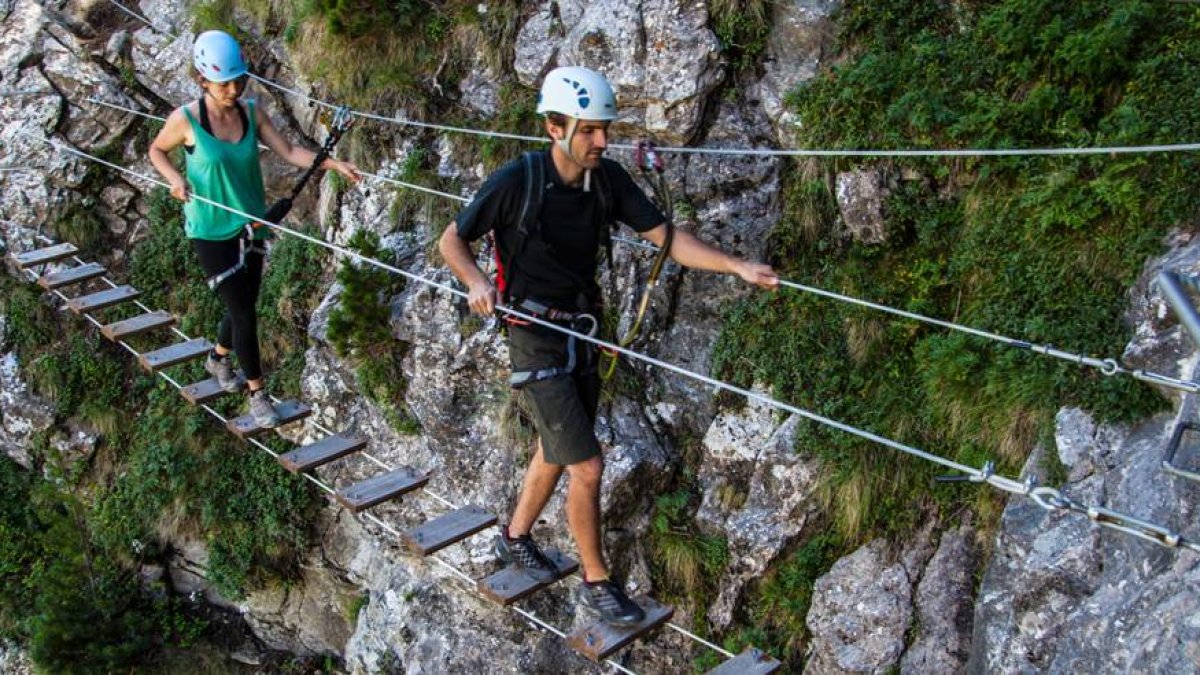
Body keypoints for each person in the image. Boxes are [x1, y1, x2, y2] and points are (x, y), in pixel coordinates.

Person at [439, 65, 778, 626]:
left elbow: (668, 240)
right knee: (588, 465)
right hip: (533, 336)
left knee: (558, 447)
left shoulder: (607, 180)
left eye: (605, 129)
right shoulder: (517, 181)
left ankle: (515, 536)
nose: (602, 141)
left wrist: (736, 266)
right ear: (554, 128)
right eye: (590, 130)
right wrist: (475, 281)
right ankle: (597, 583)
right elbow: (452, 238)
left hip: (583, 331)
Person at [148, 30, 360, 427]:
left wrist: (332, 164)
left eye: (238, 80)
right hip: (210, 230)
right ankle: (258, 395)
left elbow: (290, 151)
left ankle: (218, 358)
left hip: (252, 224)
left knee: (242, 304)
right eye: (224, 83)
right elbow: (156, 150)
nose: (233, 89)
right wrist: (174, 179)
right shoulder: (186, 119)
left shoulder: (252, 113)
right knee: (244, 313)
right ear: (202, 80)